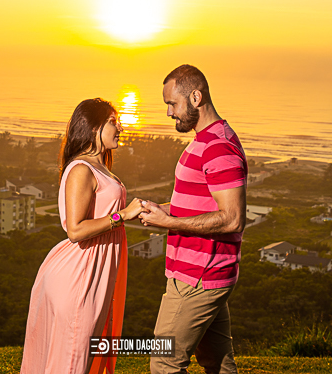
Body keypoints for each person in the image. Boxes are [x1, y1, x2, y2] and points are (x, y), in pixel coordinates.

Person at [20, 98, 143, 374]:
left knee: (83, 361)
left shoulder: (99, 167)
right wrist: (122, 216)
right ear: (93, 127)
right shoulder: (80, 169)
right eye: (113, 122)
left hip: (95, 271)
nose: (120, 128)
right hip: (79, 276)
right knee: (74, 364)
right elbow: (75, 230)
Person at [140, 65, 247, 374]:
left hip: (199, 275)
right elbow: (197, 205)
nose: (169, 112)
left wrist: (168, 223)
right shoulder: (205, 140)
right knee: (217, 362)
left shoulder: (219, 147)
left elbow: (232, 219)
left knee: (164, 363)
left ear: (196, 98)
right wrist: (162, 210)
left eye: (172, 104)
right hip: (202, 273)